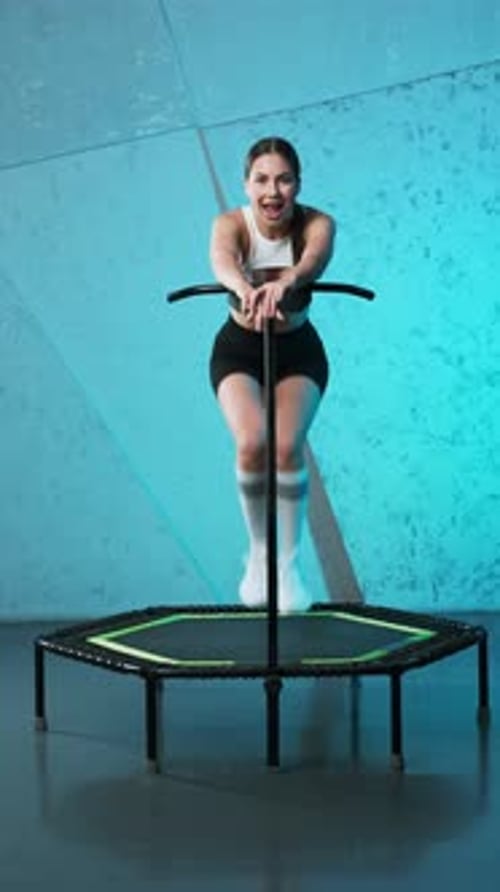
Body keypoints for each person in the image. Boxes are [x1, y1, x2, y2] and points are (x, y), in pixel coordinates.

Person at [209, 136, 335, 613]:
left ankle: (287, 563)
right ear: (247, 184)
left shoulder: (317, 223)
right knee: (252, 442)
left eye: (283, 180)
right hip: (238, 351)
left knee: (285, 446)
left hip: (298, 352)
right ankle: (260, 554)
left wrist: (287, 281)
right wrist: (243, 287)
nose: (272, 191)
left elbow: (313, 261)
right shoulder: (230, 224)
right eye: (261, 180)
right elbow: (222, 260)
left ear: (297, 184)